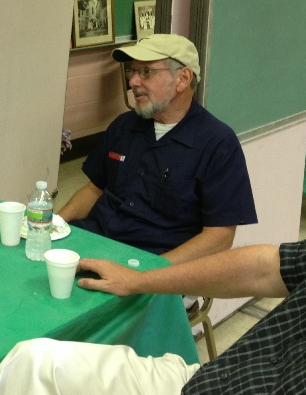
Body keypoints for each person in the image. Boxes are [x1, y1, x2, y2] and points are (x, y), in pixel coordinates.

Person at [0, 183, 306, 395]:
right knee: (34, 361)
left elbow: (221, 235)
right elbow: (263, 267)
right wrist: (139, 279)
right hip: (200, 382)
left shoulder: (214, 142)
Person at [58, 34, 257, 265]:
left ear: (182, 79)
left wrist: (154, 273)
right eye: (132, 71)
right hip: (96, 243)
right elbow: (94, 190)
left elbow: (219, 236)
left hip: (154, 262)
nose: (133, 82)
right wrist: (54, 224)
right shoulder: (123, 126)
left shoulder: (217, 143)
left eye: (146, 72)